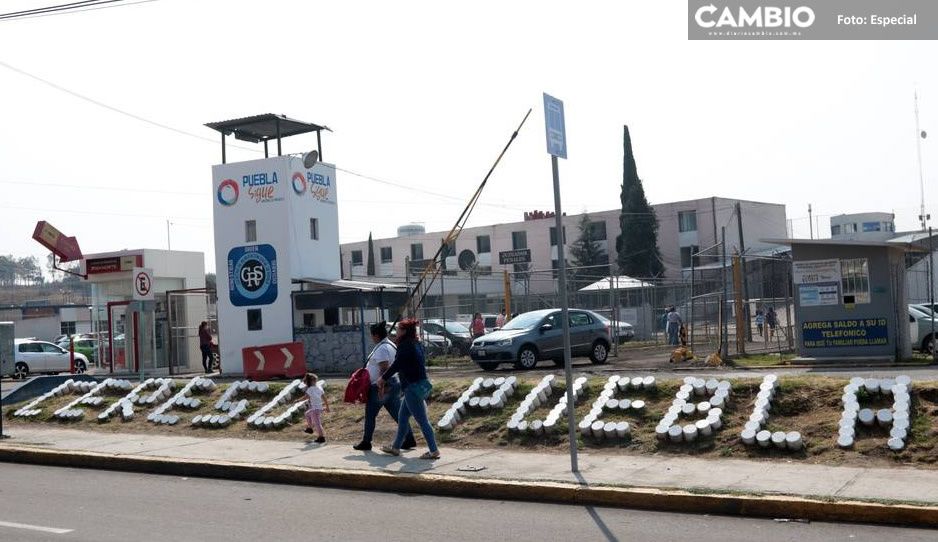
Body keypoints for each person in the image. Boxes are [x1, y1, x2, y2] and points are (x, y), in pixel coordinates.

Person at [379, 319, 440, 460]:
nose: (397, 331)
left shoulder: (405, 346)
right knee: (403, 417)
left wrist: (383, 378)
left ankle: (434, 450)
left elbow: (397, 364)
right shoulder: (414, 343)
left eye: (399, 329)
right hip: (417, 385)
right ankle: (395, 447)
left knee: (422, 421)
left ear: (405, 331)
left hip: (412, 387)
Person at [353, 322, 416, 451]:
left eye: (372, 335)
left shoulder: (382, 349)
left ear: (375, 335)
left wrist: (382, 387)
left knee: (370, 415)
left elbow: (384, 368)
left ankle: (366, 442)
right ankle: (409, 439)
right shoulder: (390, 345)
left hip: (381, 387)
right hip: (393, 384)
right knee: (398, 415)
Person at [303, 373, 330, 444]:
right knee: (307, 414)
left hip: (315, 409)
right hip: (319, 408)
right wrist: (327, 407)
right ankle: (310, 428)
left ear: (310, 382)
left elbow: (306, 397)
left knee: (317, 423)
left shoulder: (310, 389)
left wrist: (298, 400)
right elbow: (325, 398)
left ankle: (321, 437)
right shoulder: (319, 387)